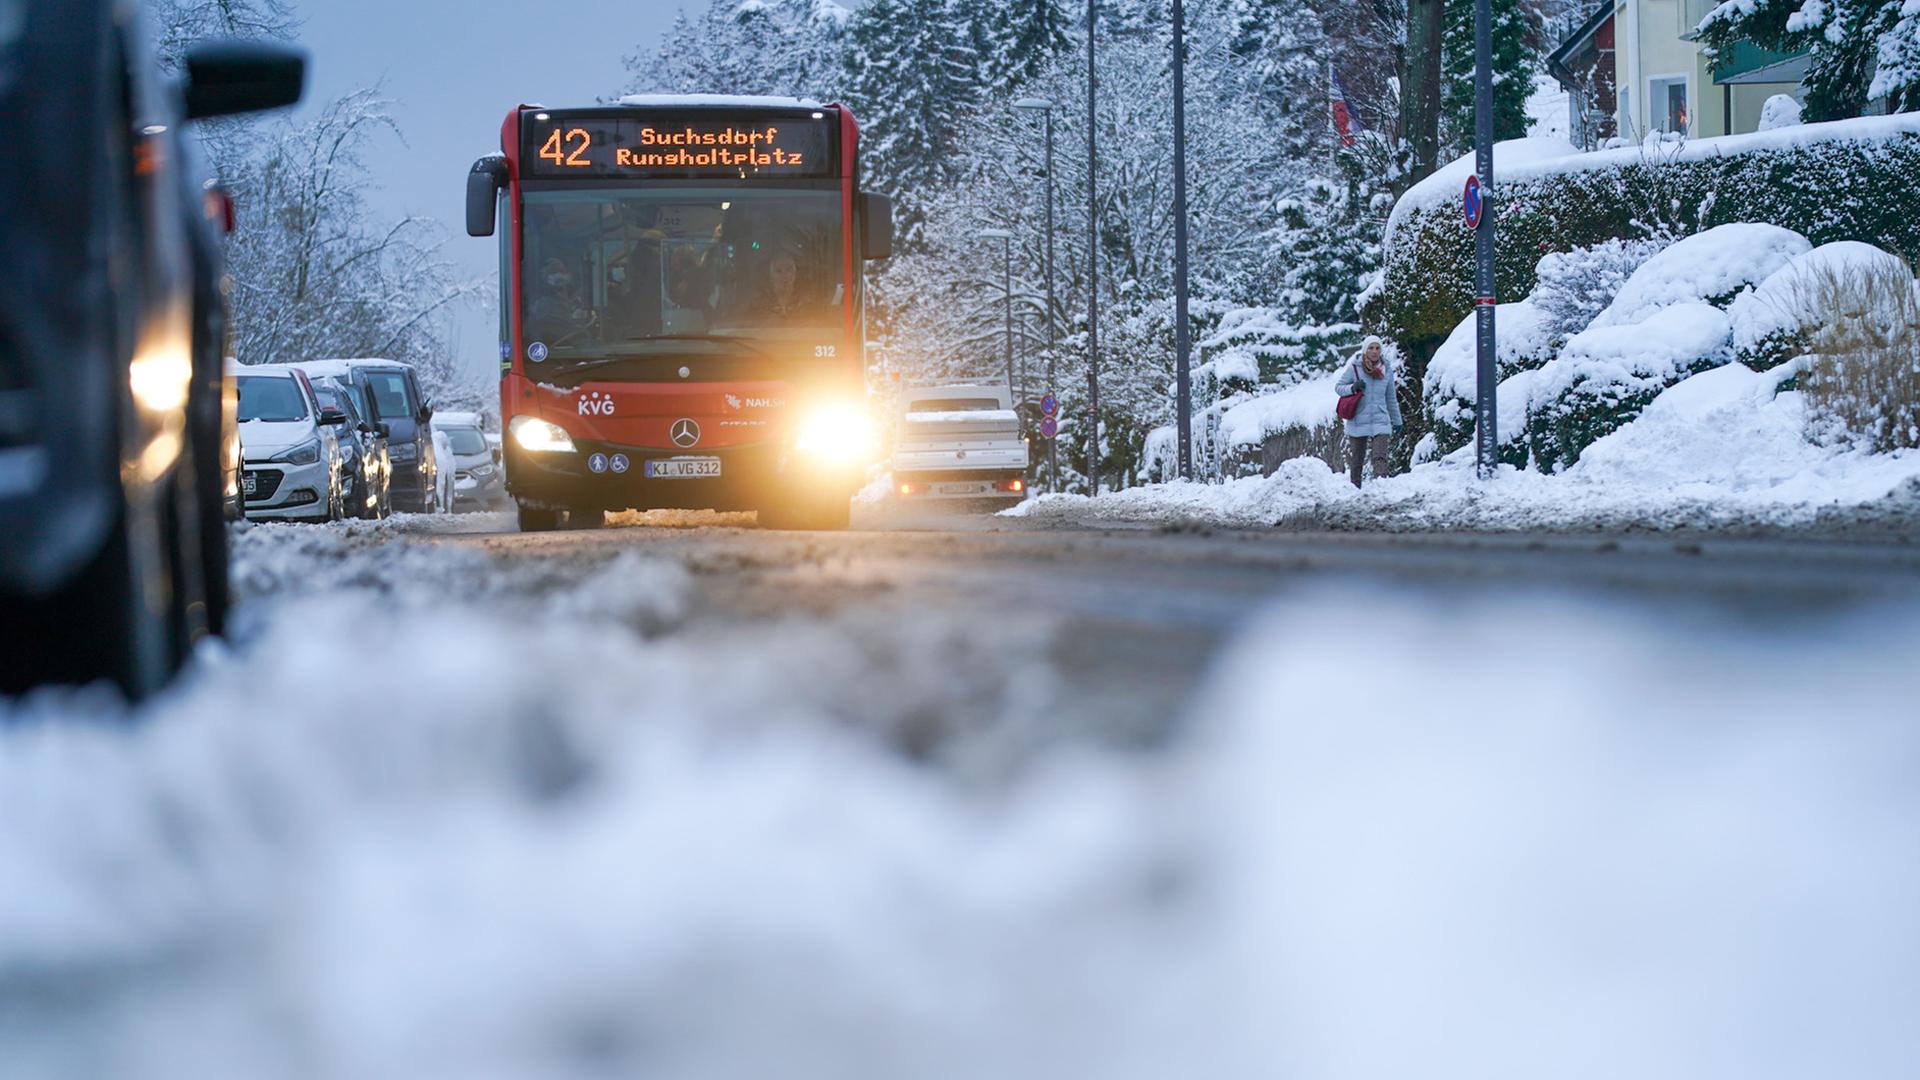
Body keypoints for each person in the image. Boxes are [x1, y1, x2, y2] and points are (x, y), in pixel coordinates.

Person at [1335, 335, 1403, 488]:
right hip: (1358, 418)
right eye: (1371, 348)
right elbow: (1338, 388)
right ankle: (1354, 490)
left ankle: (1382, 488)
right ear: (1365, 350)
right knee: (1357, 459)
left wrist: (1397, 420)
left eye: (1377, 348)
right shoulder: (1354, 368)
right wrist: (1352, 388)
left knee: (1380, 457)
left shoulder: (1386, 370)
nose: (1374, 351)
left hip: (1380, 419)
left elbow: (1391, 398)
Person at [529, 257, 595, 344]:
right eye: (553, 272)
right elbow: (546, 330)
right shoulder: (542, 304)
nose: (558, 274)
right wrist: (573, 321)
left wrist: (585, 316)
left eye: (562, 271)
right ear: (545, 277)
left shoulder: (578, 298)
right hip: (557, 350)